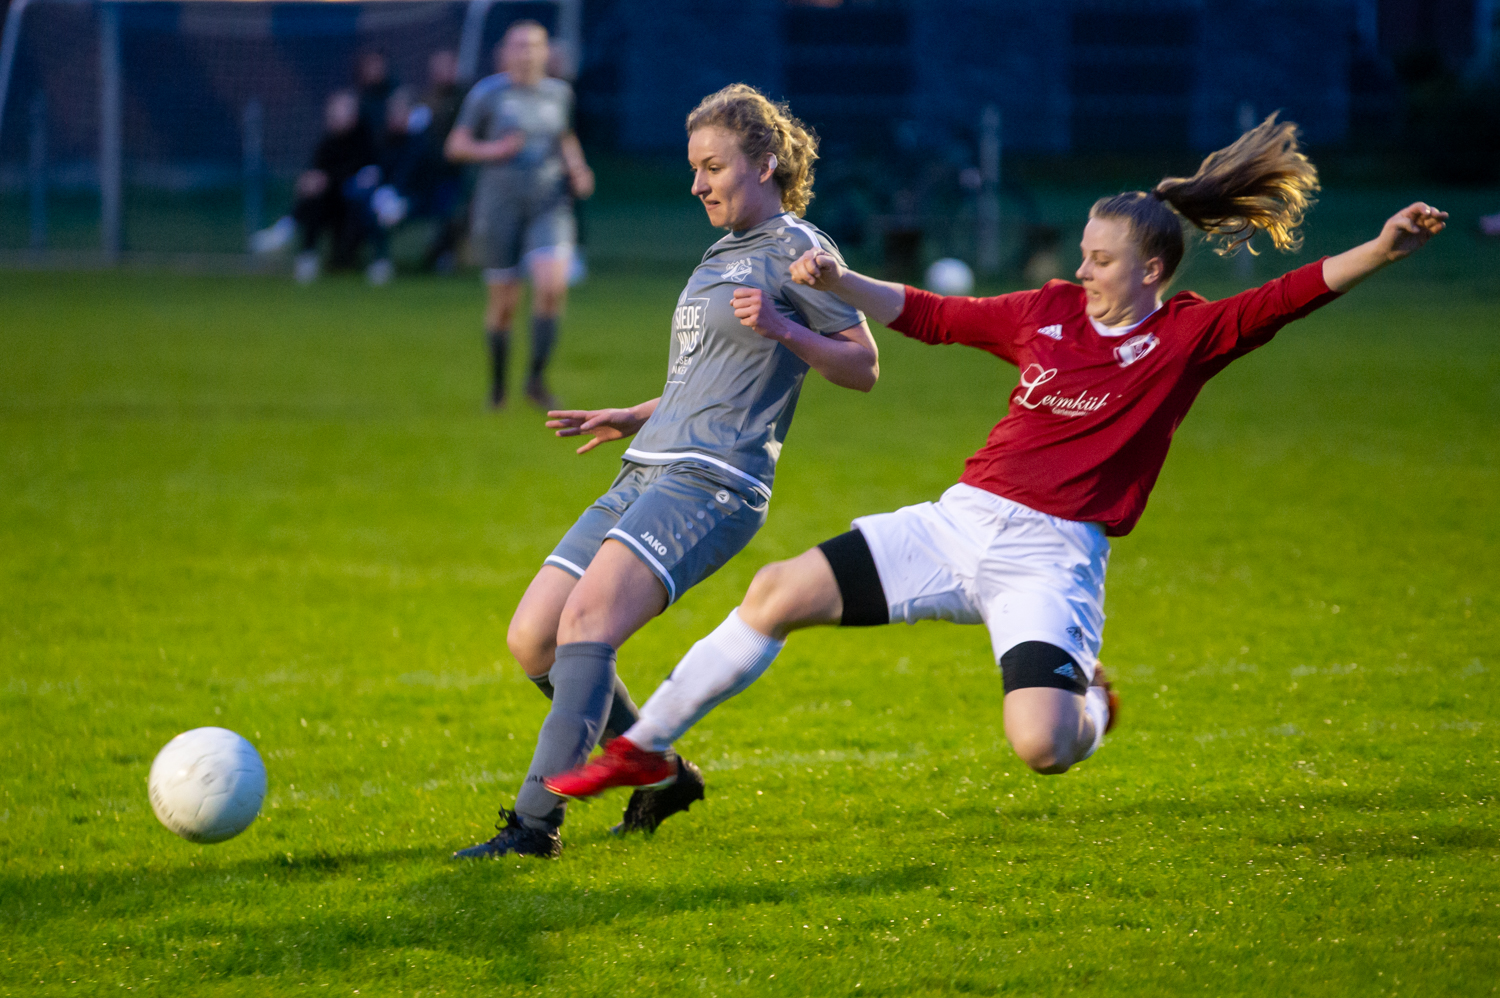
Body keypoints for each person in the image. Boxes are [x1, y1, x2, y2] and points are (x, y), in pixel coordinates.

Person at [543, 115, 1448, 806]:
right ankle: (645, 747)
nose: (1083, 271)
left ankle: (1091, 701)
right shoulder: (1045, 311)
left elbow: (1292, 295)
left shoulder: (1191, 335)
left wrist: (1382, 247)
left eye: (1101, 261)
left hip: (1052, 557)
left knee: (1043, 747)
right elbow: (936, 317)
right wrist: (838, 284)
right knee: (777, 591)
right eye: (1085, 255)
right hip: (960, 519)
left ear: (1152, 272)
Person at [452, 84, 880, 859]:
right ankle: (660, 776)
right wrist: (635, 413)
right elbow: (710, 374)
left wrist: (787, 326)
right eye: (695, 168)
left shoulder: (798, 249)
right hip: (648, 467)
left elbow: (863, 367)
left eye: (713, 166)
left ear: (765, 163)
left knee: (587, 626)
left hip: (714, 482)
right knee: (533, 639)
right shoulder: (722, 251)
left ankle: (532, 827)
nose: (697, 184)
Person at [445, 20, 595, 410]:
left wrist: (577, 168)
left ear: (547, 52)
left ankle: (535, 380)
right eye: (519, 45)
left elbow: (564, 136)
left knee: (551, 286)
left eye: (534, 45)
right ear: (505, 52)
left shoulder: (559, 93)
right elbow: (456, 145)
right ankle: (497, 389)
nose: (527, 52)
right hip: (499, 207)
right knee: (505, 303)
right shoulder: (487, 94)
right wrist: (494, 152)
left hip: (548, 204)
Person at [290, 89, 379, 284]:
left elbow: (360, 169)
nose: (334, 119)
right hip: (330, 202)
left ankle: (376, 260)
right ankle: (305, 253)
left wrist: (327, 180)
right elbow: (316, 169)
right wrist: (310, 180)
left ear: (353, 115)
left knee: (360, 204)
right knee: (312, 200)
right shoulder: (327, 142)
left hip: (356, 203)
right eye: (332, 114)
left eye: (339, 113)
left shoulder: (365, 139)